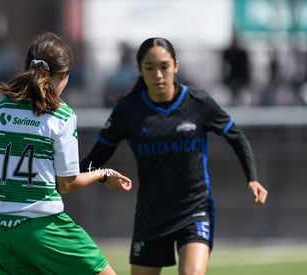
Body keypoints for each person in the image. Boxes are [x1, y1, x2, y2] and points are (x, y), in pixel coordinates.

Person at [80, 37, 268, 275]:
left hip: (195, 209)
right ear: (139, 69)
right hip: (151, 214)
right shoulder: (128, 111)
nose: (158, 74)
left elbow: (237, 137)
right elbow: (97, 156)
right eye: (150, 68)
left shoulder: (198, 103)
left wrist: (252, 178)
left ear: (175, 66)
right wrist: (65, 180)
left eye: (164, 66)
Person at [0, 31, 132, 275]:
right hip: (43, 229)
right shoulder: (61, 116)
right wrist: (102, 174)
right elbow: (68, 183)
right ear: (64, 75)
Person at [221, 33, 251, 106]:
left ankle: (239, 104)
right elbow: (224, 66)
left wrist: (247, 77)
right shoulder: (228, 52)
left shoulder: (242, 53)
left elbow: (247, 66)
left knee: (239, 95)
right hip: (233, 77)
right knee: (234, 96)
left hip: (241, 77)